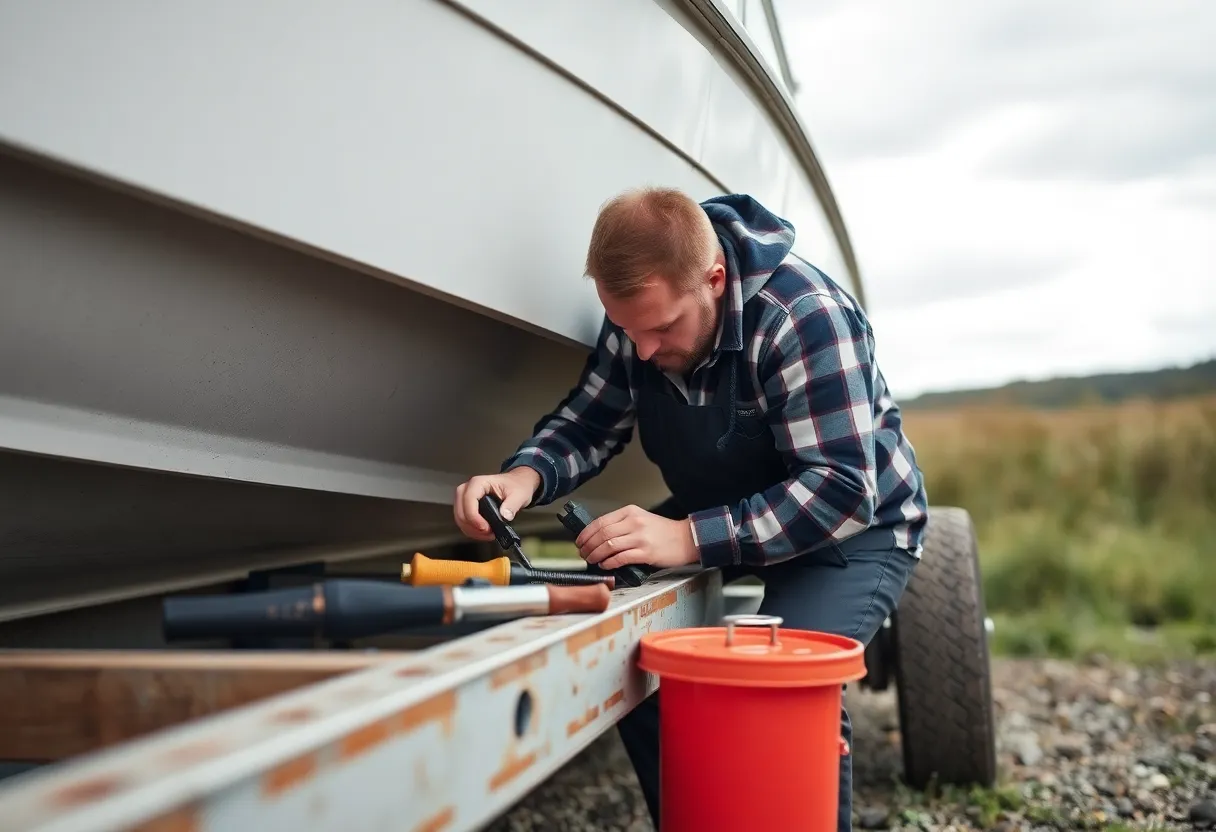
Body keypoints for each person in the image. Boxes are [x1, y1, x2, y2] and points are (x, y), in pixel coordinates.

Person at [453, 186, 928, 832]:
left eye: (662, 329)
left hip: (855, 528)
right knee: (633, 649)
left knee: (778, 682)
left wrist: (686, 538)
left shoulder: (804, 315)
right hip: (725, 508)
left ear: (715, 279)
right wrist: (523, 477)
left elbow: (843, 488)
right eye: (627, 331)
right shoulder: (642, 318)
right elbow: (592, 422)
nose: (642, 352)